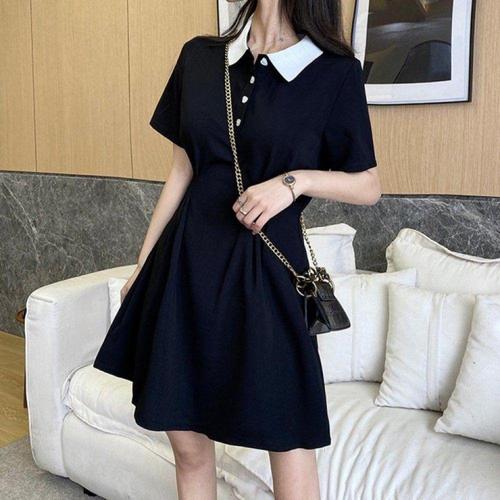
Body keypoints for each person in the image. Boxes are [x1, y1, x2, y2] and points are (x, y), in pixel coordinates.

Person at [93, 0, 381, 498]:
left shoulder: (334, 72)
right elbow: (182, 171)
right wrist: (143, 265)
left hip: (267, 272)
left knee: (289, 437)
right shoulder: (199, 57)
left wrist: (293, 183)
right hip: (185, 265)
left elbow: (368, 185)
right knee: (187, 445)